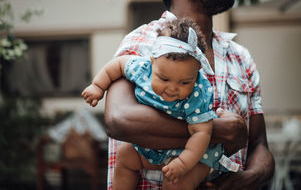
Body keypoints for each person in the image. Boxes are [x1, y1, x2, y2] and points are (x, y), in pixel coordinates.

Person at [104, 0, 275, 190]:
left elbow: (259, 144)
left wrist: (246, 180)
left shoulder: (241, 57)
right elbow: (119, 120)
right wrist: (217, 131)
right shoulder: (144, 42)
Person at [83, 19, 239, 189]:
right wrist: (98, 86)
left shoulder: (197, 94)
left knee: (176, 182)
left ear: (196, 74)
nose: (172, 88)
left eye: (185, 82)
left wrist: (183, 163)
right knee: (125, 155)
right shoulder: (142, 69)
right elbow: (117, 65)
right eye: (164, 79)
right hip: (153, 150)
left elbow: (201, 134)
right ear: (152, 62)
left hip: (191, 154)